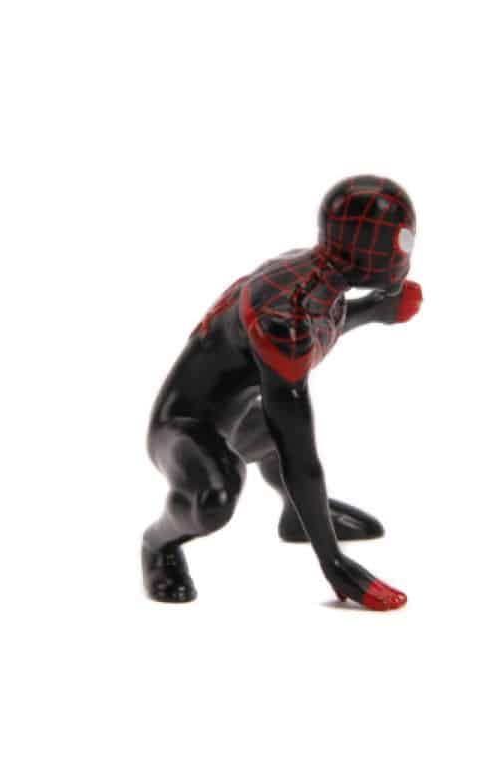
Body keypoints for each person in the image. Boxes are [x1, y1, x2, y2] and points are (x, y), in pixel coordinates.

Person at [142, 175, 423, 609]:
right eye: (400, 240)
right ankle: (158, 545)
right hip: (180, 429)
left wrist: (372, 311)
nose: (405, 250)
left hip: (236, 418)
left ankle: (295, 516)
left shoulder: (312, 274)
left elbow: (320, 327)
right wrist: (333, 562)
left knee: (268, 430)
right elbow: (300, 456)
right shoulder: (281, 316)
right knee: (215, 498)